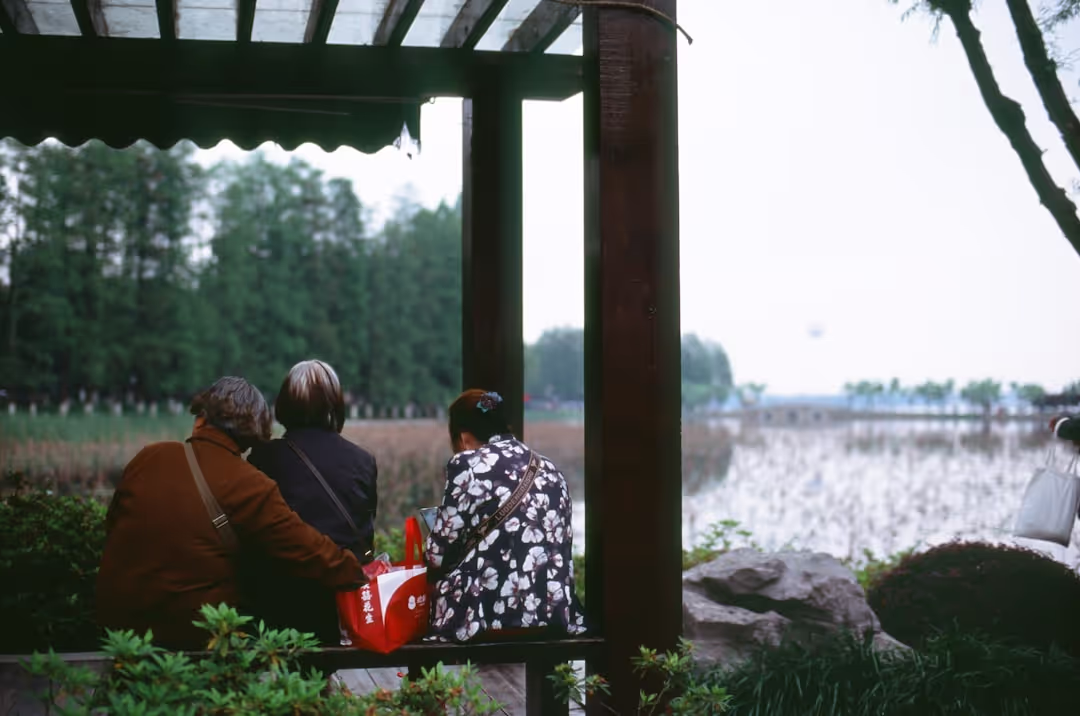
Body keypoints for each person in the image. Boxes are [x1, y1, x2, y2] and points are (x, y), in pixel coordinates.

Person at [96, 376, 364, 650]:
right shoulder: (249, 484)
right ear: (253, 435)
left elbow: (113, 524)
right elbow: (307, 550)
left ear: (201, 419)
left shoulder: (148, 458)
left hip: (117, 629)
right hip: (191, 637)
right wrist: (358, 573)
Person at [424, 389, 586, 643]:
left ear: (464, 437)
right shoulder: (551, 468)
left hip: (486, 618)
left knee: (429, 589)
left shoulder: (466, 464)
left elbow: (436, 556)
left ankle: (428, 681)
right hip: (552, 613)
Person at [245, 359, 378, 643]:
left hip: (276, 599)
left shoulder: (263, 457)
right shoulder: (362, 461)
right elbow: (366, 533)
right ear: (335, 404)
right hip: (340, 603)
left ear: (285, 403)